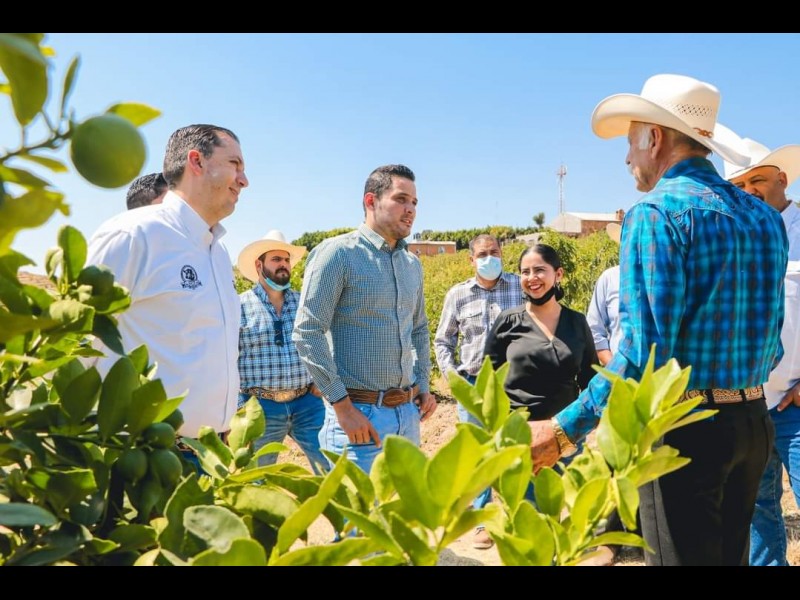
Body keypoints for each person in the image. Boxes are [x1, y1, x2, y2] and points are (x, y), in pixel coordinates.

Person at [529, 73, 788, 566]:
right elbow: (772, 344)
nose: (628, 158)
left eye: (630, 142)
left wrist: (563, 430)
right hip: (753, 423)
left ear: (654, 138)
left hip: (684, 430)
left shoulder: (656, 213)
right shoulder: (765, 220)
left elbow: (644, 356)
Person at [86, 124, 248, 444]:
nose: (244, 180)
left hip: (207, 448)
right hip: (140, 452)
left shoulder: (218, 252)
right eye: (235, 164)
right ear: (196, 161)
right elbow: (78, 342)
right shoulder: (134, 235)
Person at [292, 164, 437, 476]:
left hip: (407, 416)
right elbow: (308, 331)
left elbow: (419, 329)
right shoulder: (337, 254)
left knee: (403, 507)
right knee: (358, 509)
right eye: (401, 199)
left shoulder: (412, 264)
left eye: (414, 202)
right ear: (371, 201)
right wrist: (342, 408)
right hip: (358, 418)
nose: (410, 210)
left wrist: (423, 385)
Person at [721, 133, 800, 566]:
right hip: (748, 403)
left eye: (758, 181)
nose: (749, 191)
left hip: (795, 403)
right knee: (758, 510)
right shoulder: (733, 239)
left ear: (783, 179)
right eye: (740, 185)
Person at [433, 233, 524, 550]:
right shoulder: (458, 294)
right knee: (478, 452)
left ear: (502, 253)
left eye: (494, 252)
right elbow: (443, 341)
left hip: (515, 383)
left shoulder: (520, 286)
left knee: (516, 447)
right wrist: (453, 378)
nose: (489, 259)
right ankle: (483, 519)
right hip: (473, 384)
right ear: (471, 259)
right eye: (482, 254)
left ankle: (517, 515)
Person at [236, 229, 327, 475]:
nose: (284, 265)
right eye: (276, 259)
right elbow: (227, 359)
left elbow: (325, 339)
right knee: (257, 478)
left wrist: (323, 379)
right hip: (260, 407)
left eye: (286, 260)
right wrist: (236, 407)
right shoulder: (239, 306)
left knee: (331, 468)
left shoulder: (304, 303)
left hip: (307, 403)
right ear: (259, 265)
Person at [484, 243, 597, 432]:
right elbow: (489, 380)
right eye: (525, 272)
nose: (531, 277)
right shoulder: (508, 321)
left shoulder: (576, 322)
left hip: (565, 434)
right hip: (518, 432)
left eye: (539, 270)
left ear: (558, 274)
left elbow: (590, 377)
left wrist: (584, 421)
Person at [587, 223, 622, 368]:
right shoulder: (610, 278)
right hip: (617, 375)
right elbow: (594, 329)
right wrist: (614, 369)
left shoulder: (670, 278)